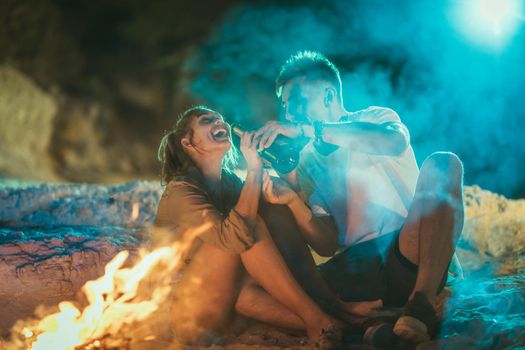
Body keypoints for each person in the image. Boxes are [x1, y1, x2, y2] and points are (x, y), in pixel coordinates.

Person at [253, 51, 465, 344]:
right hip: (355, 269)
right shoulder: (307, 161)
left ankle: (422, 303)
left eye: (296, 102)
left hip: (408, 251)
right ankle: (366, 325)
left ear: (327, 96)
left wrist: (309, 129)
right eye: (286, 107)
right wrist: (290, 198)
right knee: (254, 290)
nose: (288, 114)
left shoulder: (373, 117)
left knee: (444, 163)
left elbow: (394, 141)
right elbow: (326, 243)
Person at [153, 105, 353, 348]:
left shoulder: (228, 183)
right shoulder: (180, 191)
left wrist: (288, 193)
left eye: (220, 119)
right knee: (249, 225)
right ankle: (321, 317)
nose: (220, 123)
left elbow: (311, 239)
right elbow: (235, 237)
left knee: (273, 209)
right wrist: (255, 169)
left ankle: (332, 318)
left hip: (234, 304)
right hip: (188, 312)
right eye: (207, 121)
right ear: (188, 143)